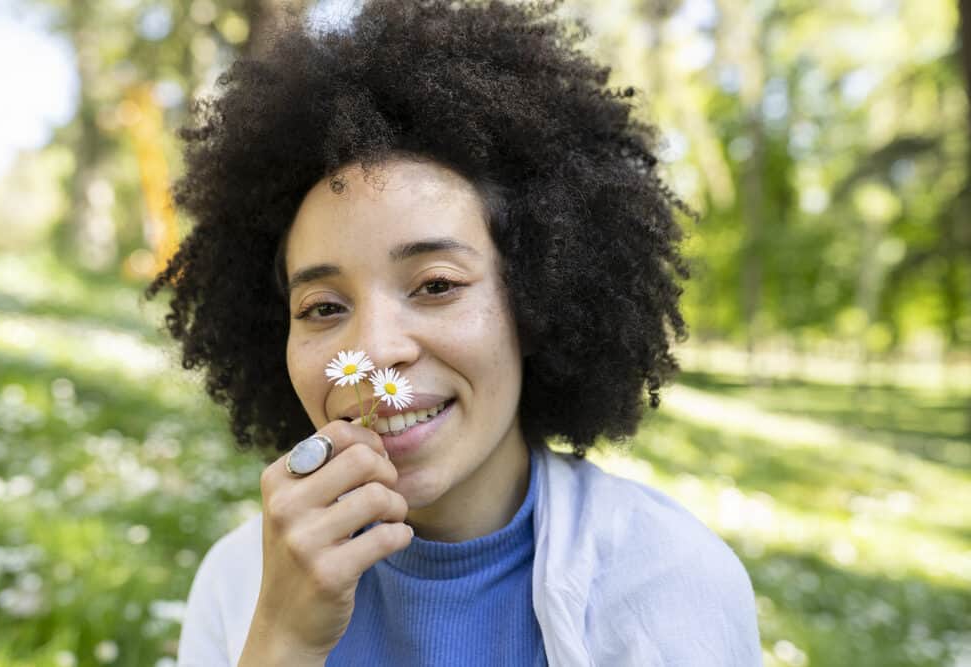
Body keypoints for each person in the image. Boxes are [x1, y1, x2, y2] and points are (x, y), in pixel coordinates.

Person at [144, 0, 763, 664]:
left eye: (436, 285)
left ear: (534, 300)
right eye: (323, 307)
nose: (374, 350)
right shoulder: (239, 584)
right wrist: (282, 639)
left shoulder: (670, 583)